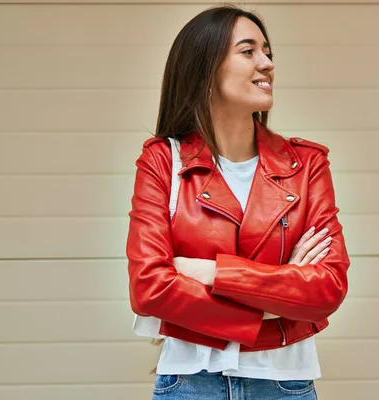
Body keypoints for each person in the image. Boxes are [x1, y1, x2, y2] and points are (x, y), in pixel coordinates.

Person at [126, 5, 350, 399]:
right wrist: (279, 300)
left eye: (268, 52)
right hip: (189, 382)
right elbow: (149, 289)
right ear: (204, 69)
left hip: (284, 383)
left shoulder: (307, 164)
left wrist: (210, 272)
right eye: (248, 51)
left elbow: (327, 289)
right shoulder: (163, 160)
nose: (266, 64)